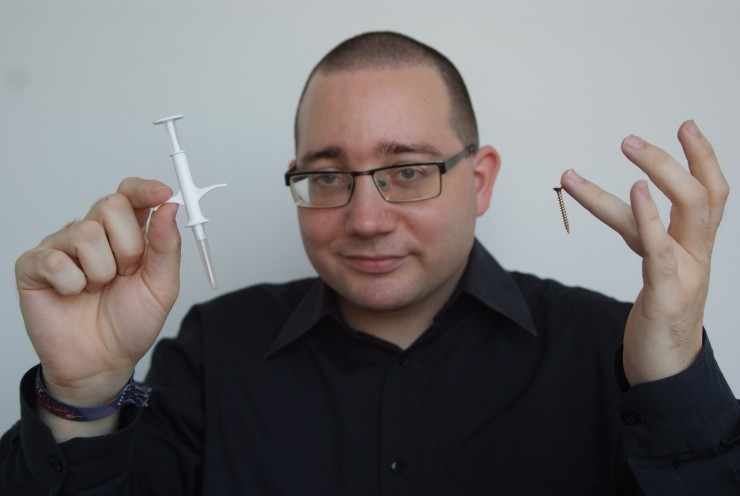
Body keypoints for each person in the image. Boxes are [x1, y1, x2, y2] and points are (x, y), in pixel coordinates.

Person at [1, 31, 738, 495]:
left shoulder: (610, 351)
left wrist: (674, 377)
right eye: (326, 177)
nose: (365, 219)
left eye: (408, 171)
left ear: (479, 181)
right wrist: (81, 396)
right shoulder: (212, 350)